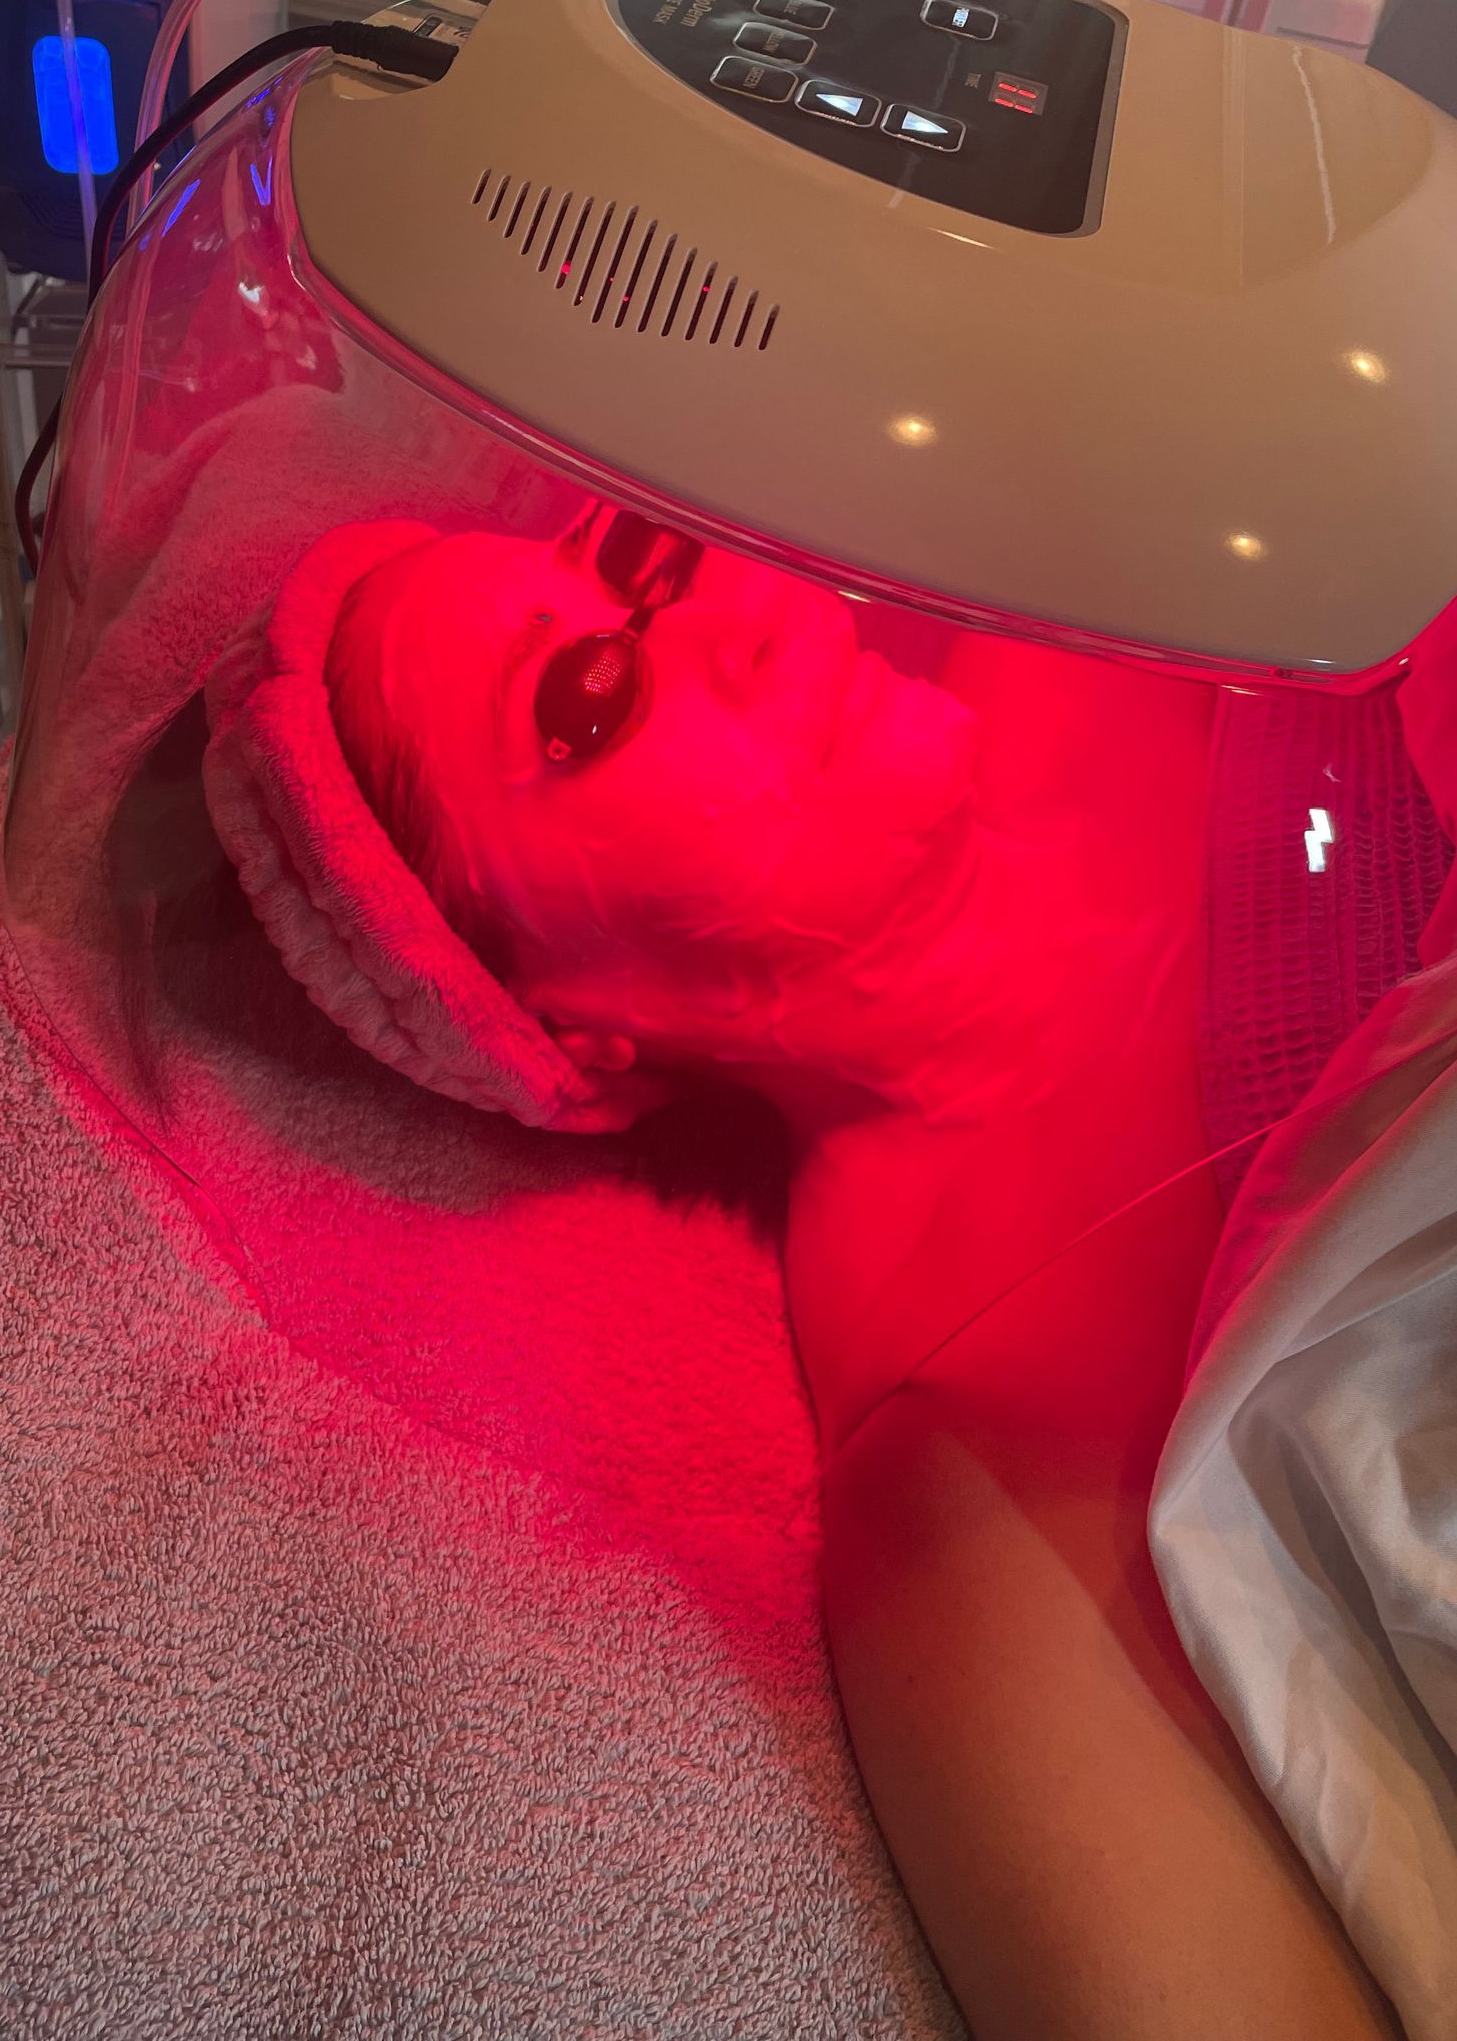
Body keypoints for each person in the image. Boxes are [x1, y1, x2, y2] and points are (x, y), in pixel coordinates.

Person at [208, 505, 1401, 2041]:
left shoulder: (1091, 583)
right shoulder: (964, 1484)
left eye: (653, 557)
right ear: (564, 1026)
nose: (747, 617)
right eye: (589, 702)